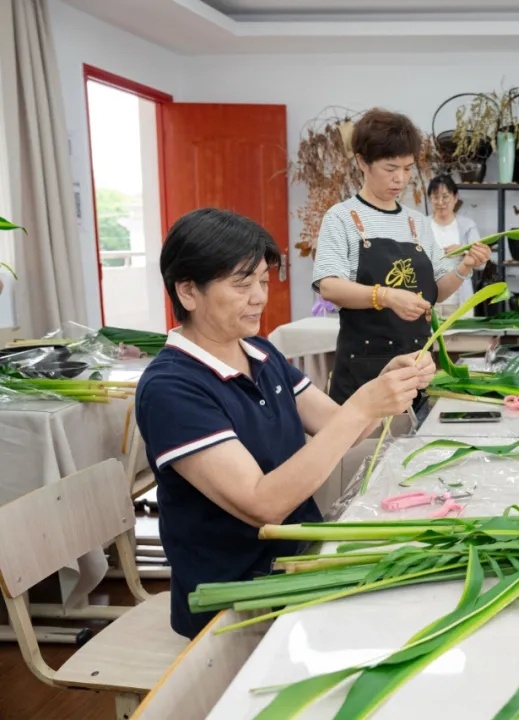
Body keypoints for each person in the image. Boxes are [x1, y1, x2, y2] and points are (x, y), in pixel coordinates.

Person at [135, 207, 436, 639]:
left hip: (300, 563)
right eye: (242, 284)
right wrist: (364, 408)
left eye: (262, 281)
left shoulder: (258, 351)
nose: (259, 296)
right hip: (240, 599)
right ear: (188, 291)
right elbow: (263, 505)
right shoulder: (171, 388)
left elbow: (337, 427)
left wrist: (387, 384)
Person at [312, 108, 491, 405]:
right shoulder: (342, 217)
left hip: (417, 368)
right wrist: (388, 297)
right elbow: (330, 287)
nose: (401, 178)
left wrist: (465, 266)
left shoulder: (417, 222)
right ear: (362, 162)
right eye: (390, 168)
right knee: (365, 450)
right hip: (365, 371)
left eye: (408, 168)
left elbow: (436, 292)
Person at [427, 174, 481, 314]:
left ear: (455, 197)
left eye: (445, 197)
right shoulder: (422, 225)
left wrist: (463, 251)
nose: (440, 202)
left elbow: (481, 264)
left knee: (462, 336)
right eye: (435, 197)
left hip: (460, 301)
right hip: (428, 302)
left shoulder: (467, 226)